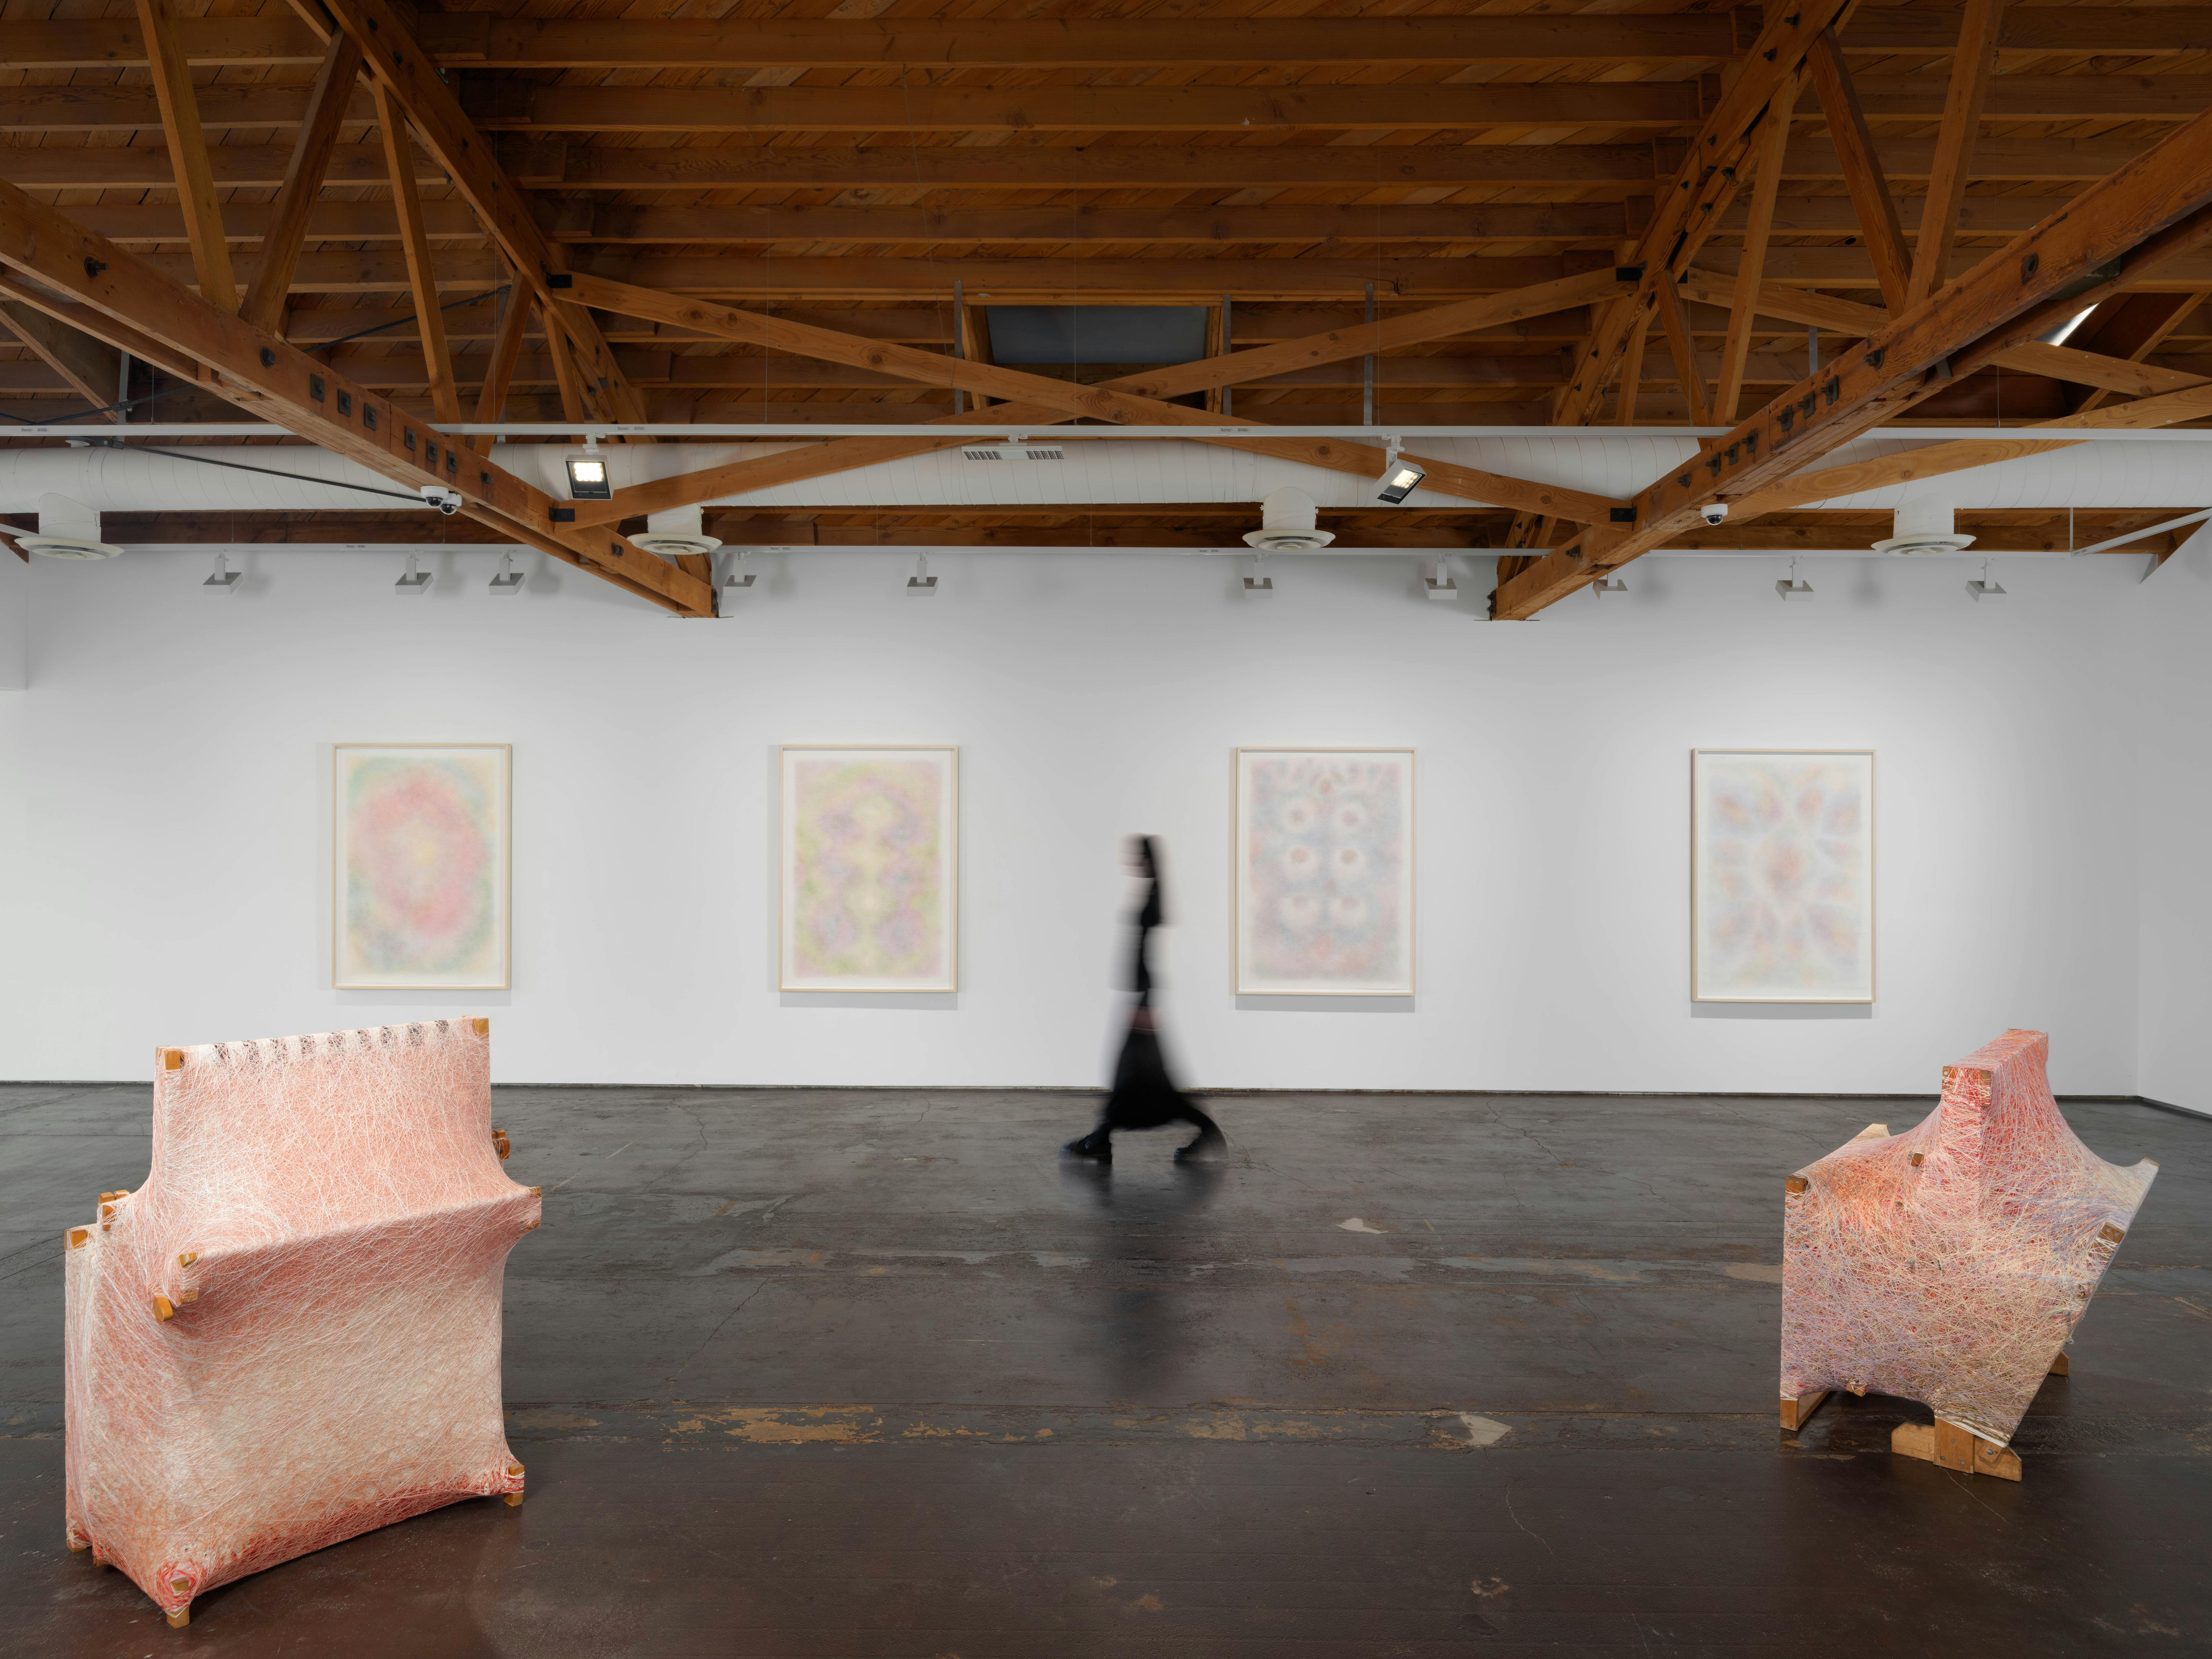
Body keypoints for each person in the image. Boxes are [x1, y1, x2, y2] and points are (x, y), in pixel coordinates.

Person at [1064, 836, 1226, 1162]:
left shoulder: (1152, 896)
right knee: (1139, 1078)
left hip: (1143, 998)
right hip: (1141, 997)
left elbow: (1146, 954)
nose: (1129, 861)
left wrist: (1145, 1001)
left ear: (1147, 860)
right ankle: (1102, 1138)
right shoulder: (1150, 891)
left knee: (1139, 1078)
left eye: (1135, 856)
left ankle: (1103, 1139)